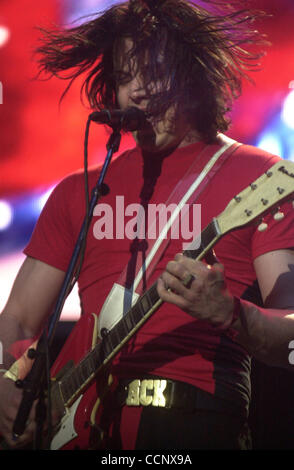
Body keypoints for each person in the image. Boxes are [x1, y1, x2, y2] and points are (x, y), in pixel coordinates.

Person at [1, 0, 294, 451]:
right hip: (77, 433)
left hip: (194, 428)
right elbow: (17, 317)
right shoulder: (78, 190)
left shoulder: (262, 179)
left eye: (154, 72)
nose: (135, 92)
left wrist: (232, 315)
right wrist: (2, 383)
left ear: (194, 78)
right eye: (124, 77)